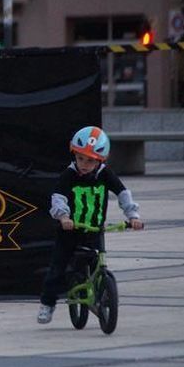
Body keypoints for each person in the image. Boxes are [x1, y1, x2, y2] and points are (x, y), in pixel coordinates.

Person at [37, 126, 143, 324]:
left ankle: (103, 295)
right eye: (80, 158)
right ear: (74, 155)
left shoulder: (105, 174)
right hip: (70, 230)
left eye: (91, 160)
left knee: (97, 263)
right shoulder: (68, 175)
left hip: (95, 229)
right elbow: (58, 198)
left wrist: (133, 216)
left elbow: (122, 193)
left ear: (101, 160)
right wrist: (63, 218)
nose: (84, 164)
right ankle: (47, 303)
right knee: (57, 268)